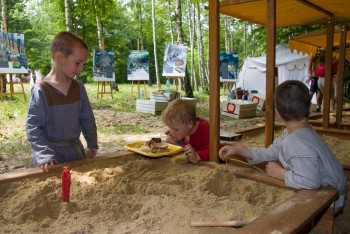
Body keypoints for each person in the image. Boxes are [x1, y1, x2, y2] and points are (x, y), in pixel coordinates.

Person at [219, 80, 347, 214]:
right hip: (331, 187)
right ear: (309, 108)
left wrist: (280, 173)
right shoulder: (297, 131)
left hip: (331, 199)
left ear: (277, 114)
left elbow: (311, 182)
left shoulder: (296, 142)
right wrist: (240, 150)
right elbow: (272, 152)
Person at [26, 31, 98, 172]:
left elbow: (87, 118)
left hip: (75, 153)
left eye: (82, 64)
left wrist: (92, 142)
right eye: (77, 63)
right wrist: (43, 155)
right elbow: (33, 127)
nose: (81, 69)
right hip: (50, 158)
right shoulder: (41, 90)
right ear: (59, 57)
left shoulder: (78, 88)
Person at [161, 98, 209, 163]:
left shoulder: (205, 130)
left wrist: (197, 155)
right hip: (186, 148)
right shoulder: (183, 128)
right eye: (170, 128)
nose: (171, 132)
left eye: (175, 129)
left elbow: (217, 150)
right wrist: (172, 142)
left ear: (189, 124)